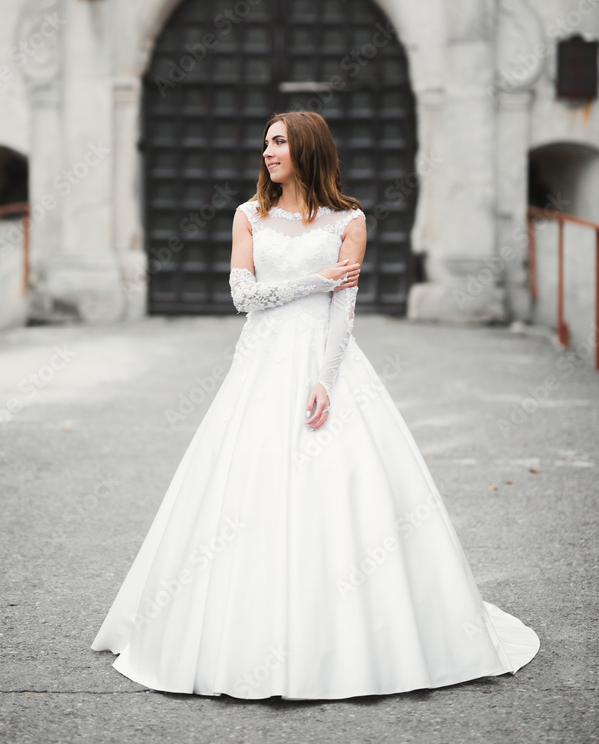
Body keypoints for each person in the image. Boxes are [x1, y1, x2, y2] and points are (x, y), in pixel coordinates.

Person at [91, 110, 540, 699]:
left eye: (279, 142)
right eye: (265, 144)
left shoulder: (348, 220)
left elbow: (342, 311)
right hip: (260, 362)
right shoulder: (248, 216)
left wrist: (325, 379)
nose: (268, 152)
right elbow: (243, 296)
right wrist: (315, 279)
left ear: (306, 148)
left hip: (325, 364)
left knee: (345, 485)